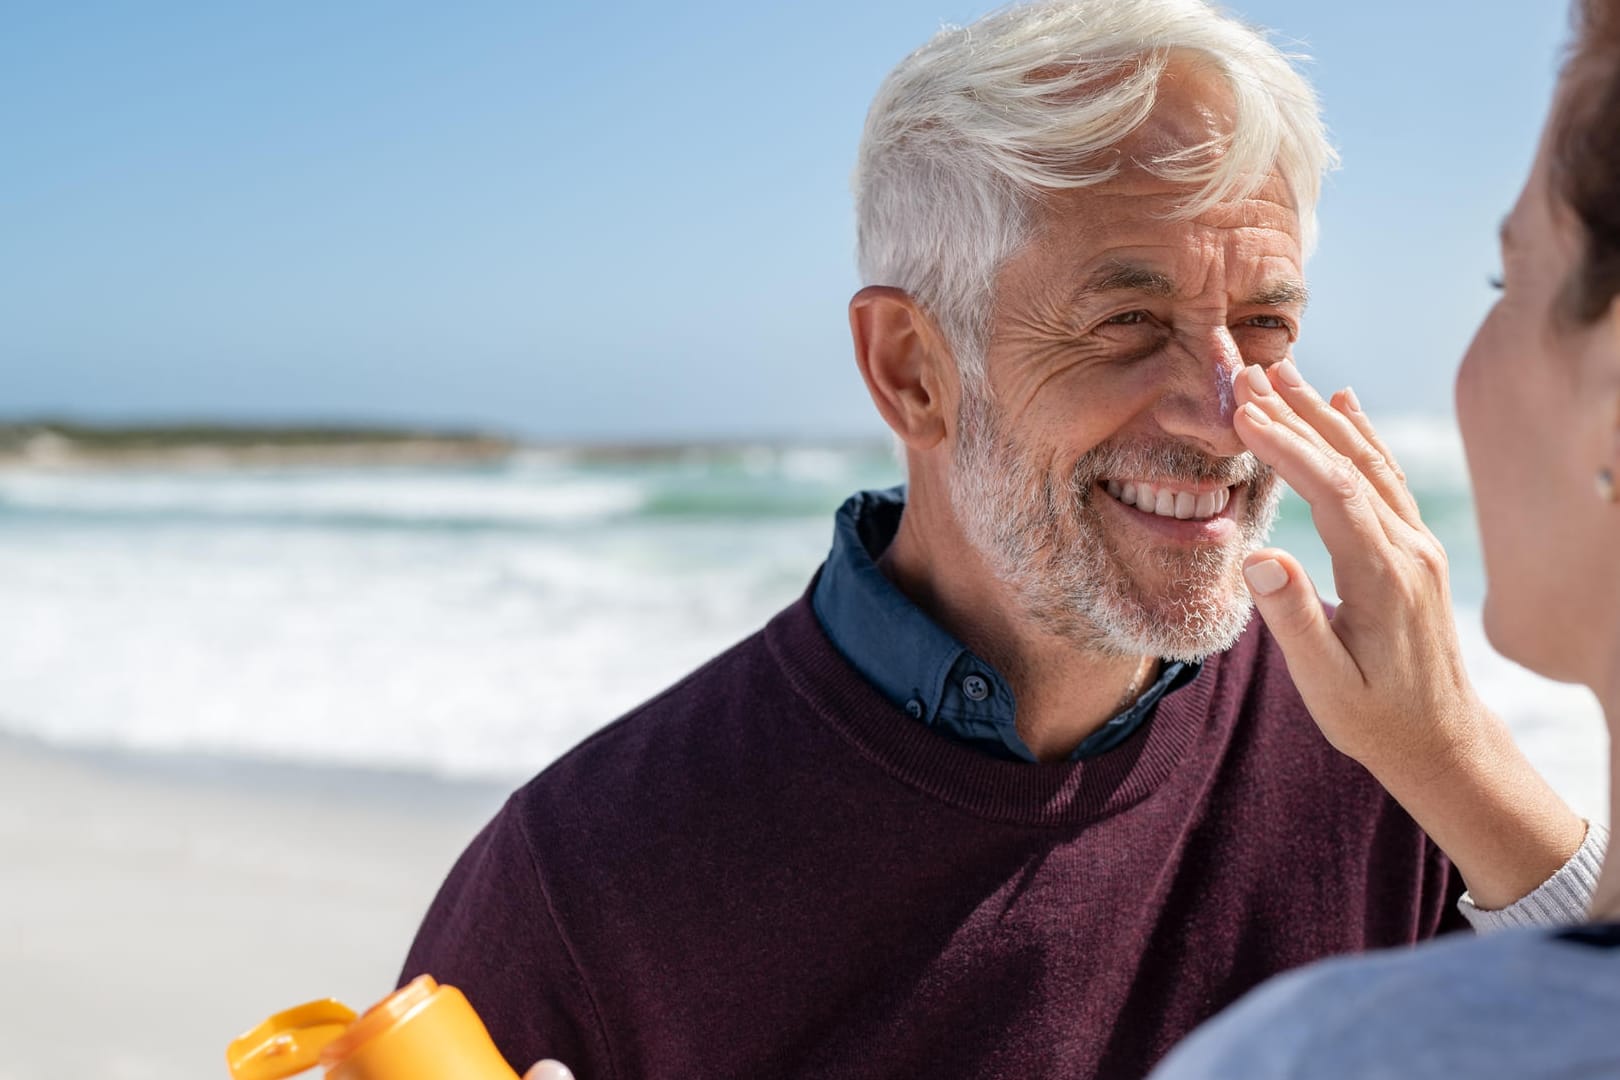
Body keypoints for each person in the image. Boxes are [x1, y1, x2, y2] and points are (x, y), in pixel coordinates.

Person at [402, 2, 1608, 1077]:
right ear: (912, 371)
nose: (1226, 410)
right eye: (1128, 323)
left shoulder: (1389, 763)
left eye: (1265, 323)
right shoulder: (585, 880)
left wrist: (1461, 772)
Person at [1146, 1, 1620, 1076]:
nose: (1225, 404)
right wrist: (1447, 759)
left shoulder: (1315, 1054)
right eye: (1127, 323)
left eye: (1510, 284)